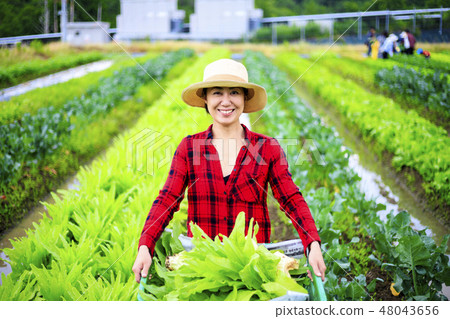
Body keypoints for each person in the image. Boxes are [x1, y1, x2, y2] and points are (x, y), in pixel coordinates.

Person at [132, 59, 326, 286]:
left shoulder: (267, 148)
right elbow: (167, 199)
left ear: (245, 98)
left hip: (253, 271)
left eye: (234, 92)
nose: (226, 101)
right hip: (204, 269)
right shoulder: (189, 148)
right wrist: (146, 245)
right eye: (217, 93)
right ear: (205, 99)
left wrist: (312, 244)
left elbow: (291, 199)